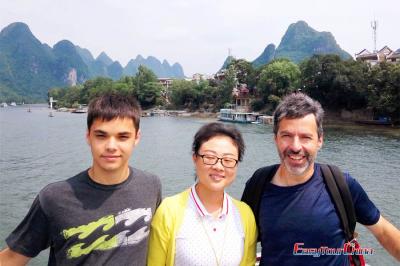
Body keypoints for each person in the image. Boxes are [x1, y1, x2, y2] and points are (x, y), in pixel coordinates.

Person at [0, 93, 162, 265]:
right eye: (101, 136)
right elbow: (12, 258)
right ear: (88, 137)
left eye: (123, 137)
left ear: (136, 138)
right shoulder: (54, 198)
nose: (111, 146)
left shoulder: (151, 186)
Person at [242, 92, 400, 265]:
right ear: (275, 139)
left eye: (306, 137)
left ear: (320, 141)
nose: (295, 147)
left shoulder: (341, 185)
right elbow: (240, 240)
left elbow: (384, 232)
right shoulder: (258, 185)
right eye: (286, 135)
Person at [147, 122, 257, 266]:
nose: (218, 166)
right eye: (210, 157)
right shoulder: (169, 210)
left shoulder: (245, 214)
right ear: (195, 158)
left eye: (228, 160)